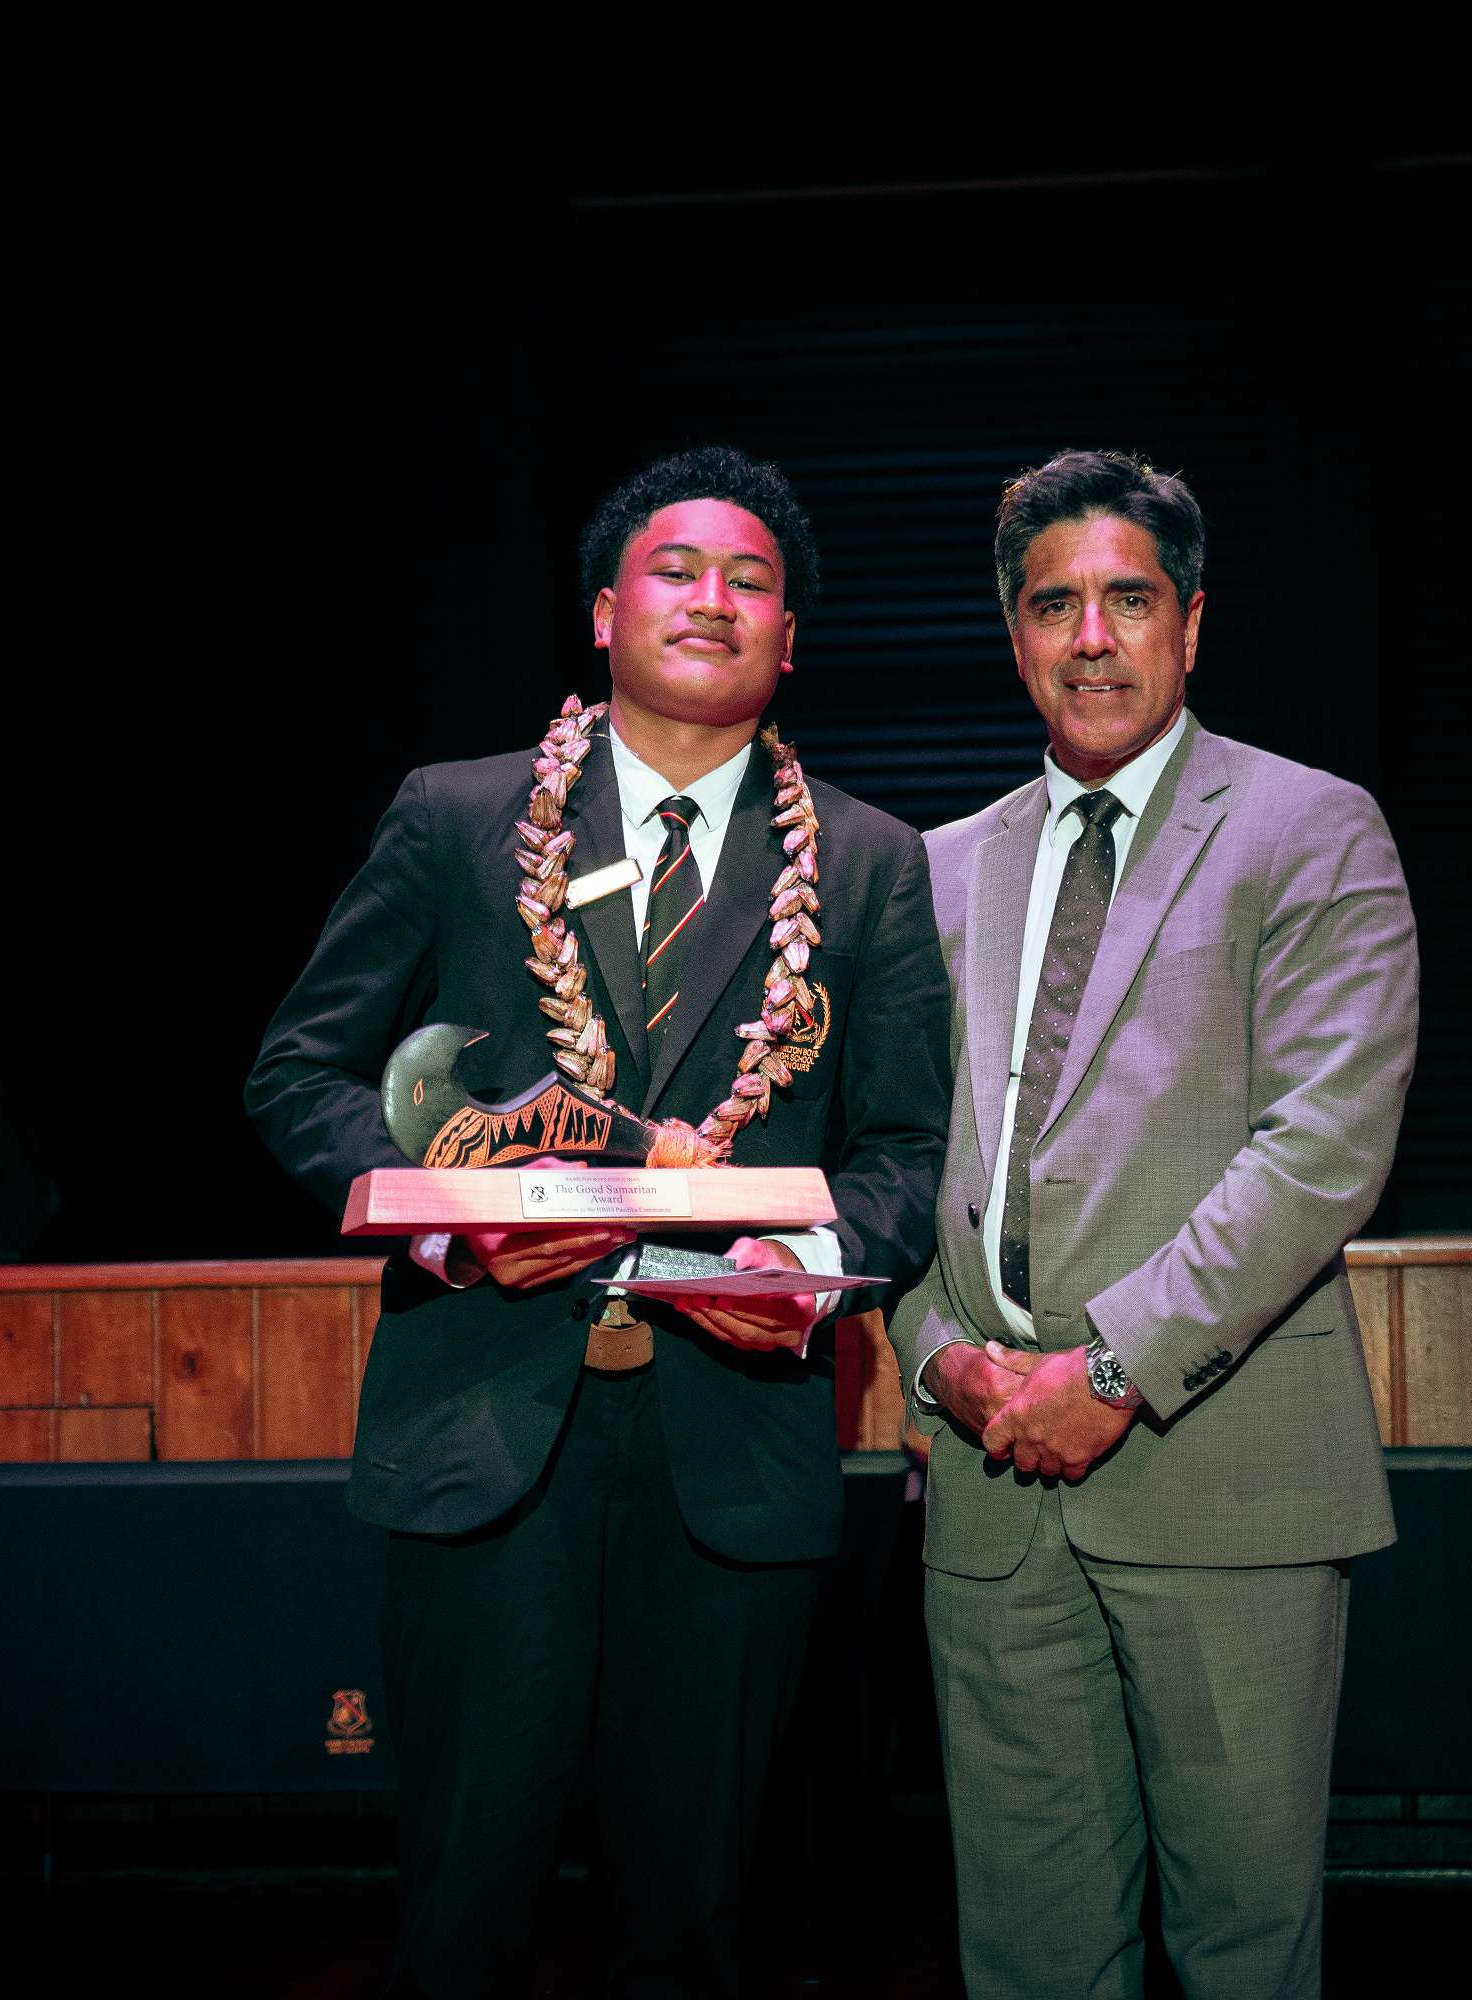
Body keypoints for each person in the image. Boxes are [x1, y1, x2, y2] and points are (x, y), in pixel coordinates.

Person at [247, 445, 951, 1998]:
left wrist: (808, 1269)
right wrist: (451, 1222)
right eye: (676, 568)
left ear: (789, 640)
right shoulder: (457, 817)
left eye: (752, 581)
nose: (714, 598)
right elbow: (300, 1071)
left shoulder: (869, 863)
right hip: (484, 1442)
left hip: (733, 1460)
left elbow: (906, 1148)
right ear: (603, 613)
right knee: (461, 1925)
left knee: (693, 1929)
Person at [888, 449, 1418, 1999]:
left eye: (1129, 599)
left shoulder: (1310, 827)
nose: (1093, 638)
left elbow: (1319, 1150)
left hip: (1224, 1482)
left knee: (1246, 1950)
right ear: (1015, 637)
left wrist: (1112, 1369)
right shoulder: (933, 872)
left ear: (1191, 620)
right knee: (1031, 1958)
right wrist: (935, 1357)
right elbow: (890, 1167)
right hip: (991, 1493)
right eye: (1055, 605)